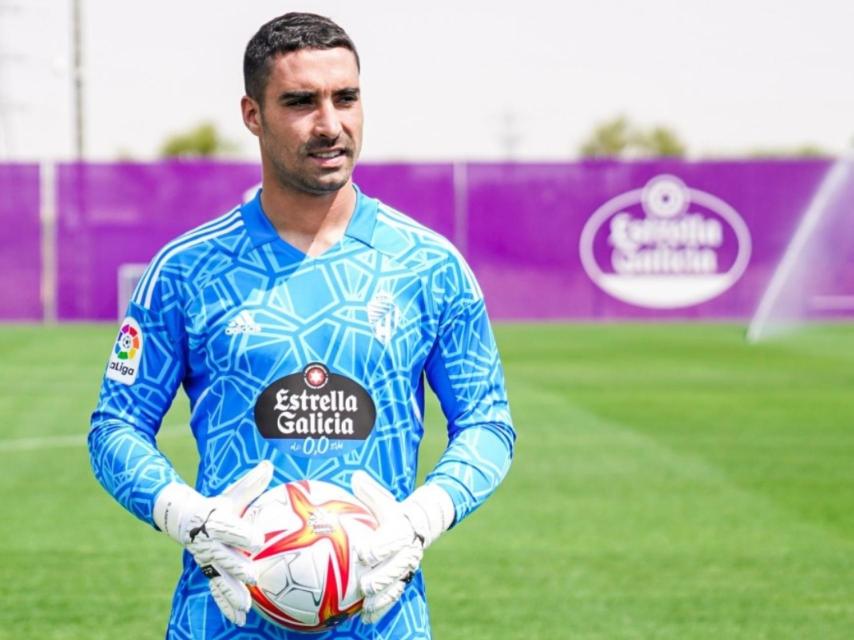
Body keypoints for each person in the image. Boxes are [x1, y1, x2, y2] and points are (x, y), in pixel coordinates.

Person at [88, 12, 515, 640]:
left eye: (346, 98)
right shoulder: (186, 270)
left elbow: (488, 423)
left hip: (382, 619)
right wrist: (187, 516)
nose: (330, 124)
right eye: (300, 102)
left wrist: (424, 516)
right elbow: (115, 426)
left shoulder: (430, 267)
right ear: (252, 114)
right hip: (223, 618)